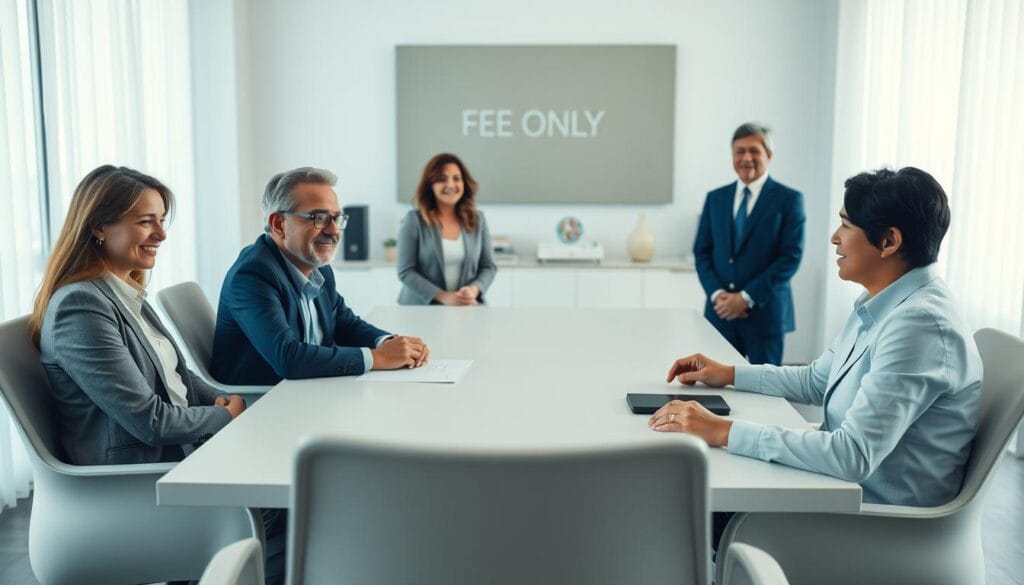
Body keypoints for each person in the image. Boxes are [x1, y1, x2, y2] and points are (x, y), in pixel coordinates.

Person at [652, 167, 981, 509]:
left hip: (874, 519)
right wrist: (729, 374)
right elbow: (817, 380)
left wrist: (723, 430)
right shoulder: (884, 301)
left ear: (888, 242)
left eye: (846, 225)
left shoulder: (920, 324)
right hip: (837, 491)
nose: (834, 238)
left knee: (688, 498)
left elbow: (851, 455)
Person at [31, 165, 246, 466]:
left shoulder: (126, 291)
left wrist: (218, 399)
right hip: (141, 472)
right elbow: (151, 422)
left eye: (161, 220)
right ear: (99, 227)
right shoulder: (80, 306)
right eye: (147, 222)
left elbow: (174, 374)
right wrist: (223, 416)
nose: (161, 234)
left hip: (184, 451)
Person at [212, 166, 429, 386]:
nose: (334, 231)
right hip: (263, 404)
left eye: (336, 218)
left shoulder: (318, 266)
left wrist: (391, 343)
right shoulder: (252, 275)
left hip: (312, 390)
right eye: (319, 218)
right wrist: (379, 357)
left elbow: (345, 324)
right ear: (279, 224)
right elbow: (289, 358)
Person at [693, 123, 805, 365]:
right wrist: (718, 295)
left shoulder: (789, 200)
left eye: (754, 151)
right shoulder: (715, 198)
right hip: (720, 315)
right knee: (715, 394)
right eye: (739, 151)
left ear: (769, 155)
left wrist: (745, 297)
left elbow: (790, 257)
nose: (746, 158)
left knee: (765, 394)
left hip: (766, 317)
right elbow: (702, 252)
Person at [397, 153, 497, 305]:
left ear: (464, 183)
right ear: (430, 185)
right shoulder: (414, 220)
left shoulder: (477, 219)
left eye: (456, 178)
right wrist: (444, 296)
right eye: (442, 179)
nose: (450, 185)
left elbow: (488, 267)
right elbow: (406, 271)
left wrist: (473, 290)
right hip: (421, 309)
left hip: (466, 307)